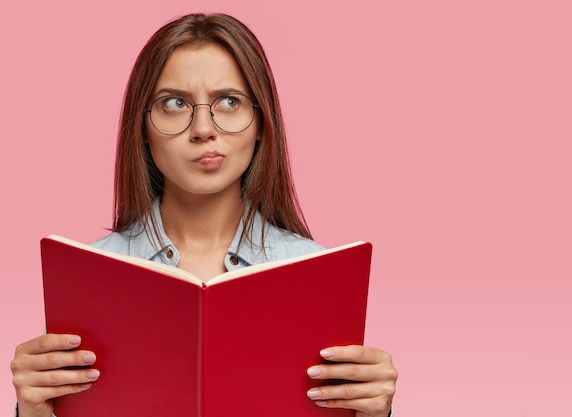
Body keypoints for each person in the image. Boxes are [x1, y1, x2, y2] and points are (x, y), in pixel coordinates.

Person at [10, 13, 397, 417]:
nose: (202, 129)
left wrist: (373, 414)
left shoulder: (319, 275)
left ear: (262, 121)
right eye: (174, 103)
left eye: (228, 102)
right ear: (142, 127)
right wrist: (32, 412)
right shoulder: (85, 279)